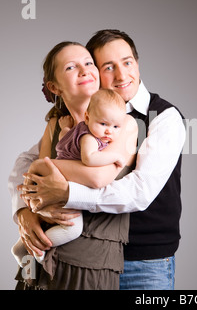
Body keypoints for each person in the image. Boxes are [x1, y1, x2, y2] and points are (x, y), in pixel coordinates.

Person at [13, 29, 186, 290]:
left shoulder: (162, 117)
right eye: (108, 66)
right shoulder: (85, 117)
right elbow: (28, 160)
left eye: (127, 62)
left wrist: (65, 192)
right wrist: (24, 209)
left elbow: (139, 191)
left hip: (145, 259)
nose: (121, 74)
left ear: (137, 63)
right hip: (88, 252)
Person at [10, 40, 138, 290]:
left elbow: (97, 178)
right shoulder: (56, 125)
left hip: (90, 260)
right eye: (71, 67)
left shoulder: (123, 123)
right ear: (54, 87)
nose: (84, 70)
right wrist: (30, 211)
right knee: (29, 274)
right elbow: (35, 177)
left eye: (89, 63)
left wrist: (50, 170)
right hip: (41, 250)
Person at [11, 88, 130, 267]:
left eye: (115, 127)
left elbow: (62, 140)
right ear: (88, 118)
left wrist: (66, 128)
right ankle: (36, 249)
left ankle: (21, 248)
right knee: (72, 229)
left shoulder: (78, 130)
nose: (108, 132)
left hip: (57, 182)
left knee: (45, 222)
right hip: (58, 185)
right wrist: (115, 157)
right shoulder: (89, 138)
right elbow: (90, 158)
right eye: (104, 124)